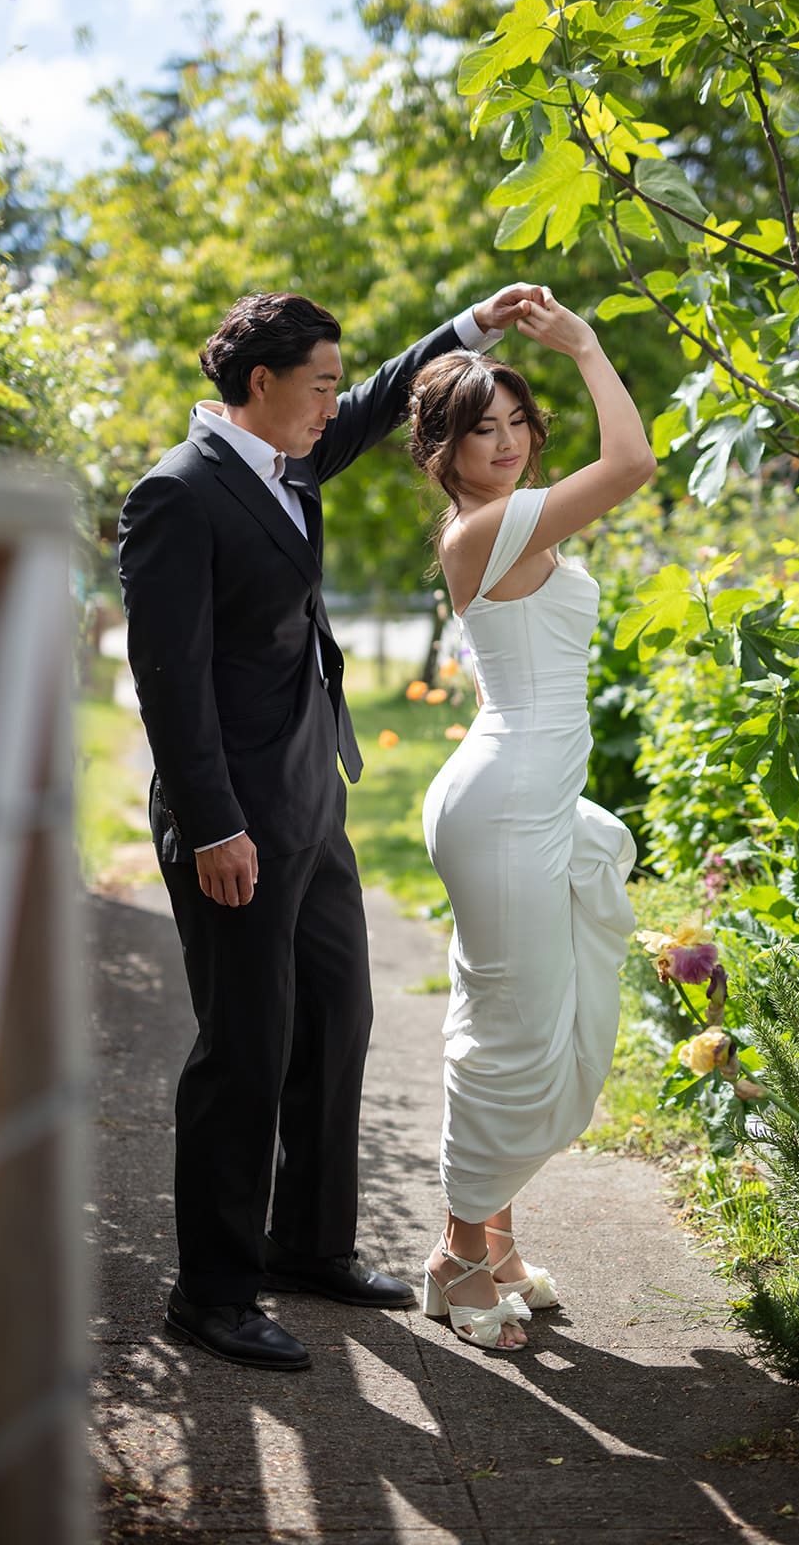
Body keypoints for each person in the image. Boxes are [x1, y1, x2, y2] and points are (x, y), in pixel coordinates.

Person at [118, 282, 546, 1371]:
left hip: (314, 799)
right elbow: (167, 681)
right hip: (234, 822)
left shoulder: (287, 453)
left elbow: (369, 400)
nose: (331, 404)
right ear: (257, 385)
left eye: (328, 385)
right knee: (244, 1050)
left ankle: (305, 1246)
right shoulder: (178, 493)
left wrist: (471, 330)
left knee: (334, 1020)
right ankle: (210, 1293)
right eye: (313, 383)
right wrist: (213, 825)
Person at [410, 293, 655, 1351]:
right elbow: (632, 462)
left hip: (519, 792)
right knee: (510, 1031)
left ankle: (496, 1242)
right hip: (506, 806)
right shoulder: (490, 524)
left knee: (528, 1012)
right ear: (446, 448)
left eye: (515, 422)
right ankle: (457, 1261)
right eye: (481, 427)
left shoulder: (495, 526)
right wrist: (585, 347)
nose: (505, 443)